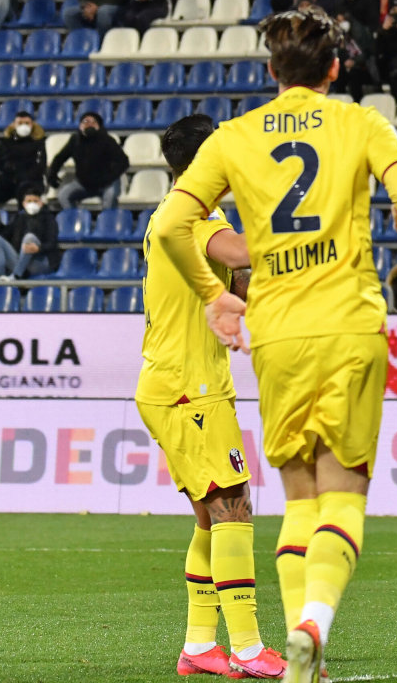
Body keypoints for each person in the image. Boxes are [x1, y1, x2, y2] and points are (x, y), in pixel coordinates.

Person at [151, 6, 397, 683]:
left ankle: (268, 647)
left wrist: (218, 295)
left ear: (270, 70)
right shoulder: (359, 121)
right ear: (335, 68)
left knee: (294, 501)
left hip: (276, 334)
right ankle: (309, 625)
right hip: (348, 322)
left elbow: (168, 222)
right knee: (338, 498)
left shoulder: (234, 136)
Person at [136, 115, 286, 679]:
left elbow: (241, 280)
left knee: (211, 514)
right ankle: (247, 649)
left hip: (184, 384)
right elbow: (246, 252)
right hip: (186, 390)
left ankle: (200, 646)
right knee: (233, 507)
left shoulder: (186, 216)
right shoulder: (191, 218)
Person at [46, 111, 130, 209]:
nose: (89, 124)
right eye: (85, 121)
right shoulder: (75, 140)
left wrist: (110, 177)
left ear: (99, 126)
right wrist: (52, 174)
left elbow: (124, 162)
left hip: (107, 183)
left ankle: (108, 222)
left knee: (110, 196)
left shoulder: (107, 140)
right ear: (80, 125)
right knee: (63, 195)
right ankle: (74, 220)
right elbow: (60, 158)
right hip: (83, 184)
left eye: (93, 122)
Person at [0, 185, 59, 280]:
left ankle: (16, 276)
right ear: (24, 204)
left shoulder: (49, 218)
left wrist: (38, 248)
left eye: (35, 201)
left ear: (41, 203)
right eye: (29, 201)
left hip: (40, 262)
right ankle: (0, 277)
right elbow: (5, 234)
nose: (32, 204)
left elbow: (52, 243)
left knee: (29, 237)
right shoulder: (18, 218)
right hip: (19, 261)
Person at [0, 111, 47, 206]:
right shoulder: (5, 143)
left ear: (32, 125)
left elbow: (41, 166)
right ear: (14, 125)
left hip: (31, 183)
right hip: (8, 183)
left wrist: (22, 178)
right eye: (20, 123)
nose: (23, 126)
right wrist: (1, 177)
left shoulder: (39, 143)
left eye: (27, 123)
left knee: (25, 191)